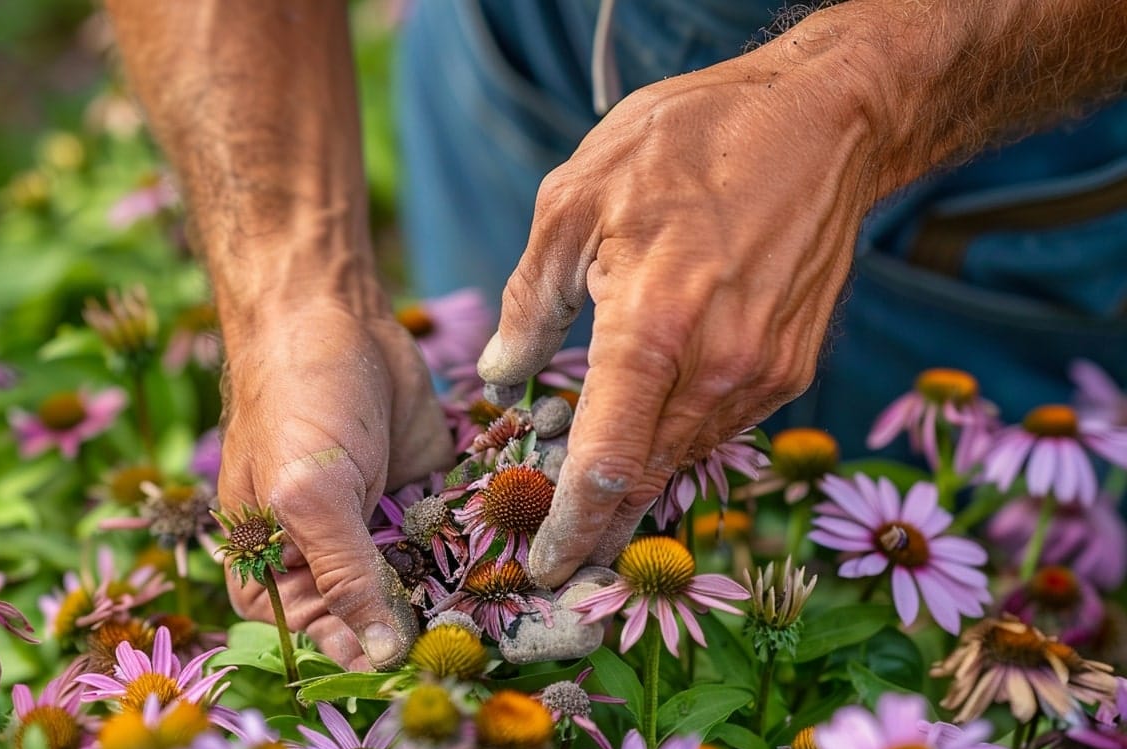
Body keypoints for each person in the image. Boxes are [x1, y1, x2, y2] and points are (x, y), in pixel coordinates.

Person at [104, 0, 1127, 670]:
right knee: (496, 421)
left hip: (1006, 135)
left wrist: (860, 97)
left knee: (883, 654)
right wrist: (292, 284)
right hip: (538, 52)